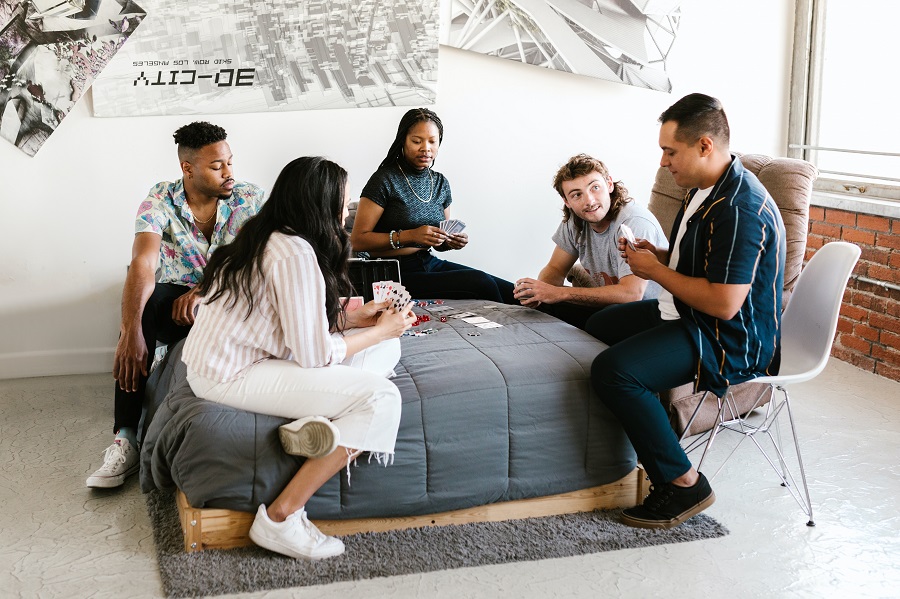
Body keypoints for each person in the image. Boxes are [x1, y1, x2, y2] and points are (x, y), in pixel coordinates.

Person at [182, 156, 415, 560]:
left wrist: (357, 319)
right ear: (321, 205)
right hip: (230, 373)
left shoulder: (270, 235)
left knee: (385, 347)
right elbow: (313, 355)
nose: (346, 211)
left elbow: (289, 320)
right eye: (343, 201)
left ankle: (316, 423)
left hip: (236, 358)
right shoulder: (294, 253)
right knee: (382, 398)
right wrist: (378, 329)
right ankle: (280, 518)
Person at [586, 93, 786, 528]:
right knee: (595, 325)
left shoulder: (739, 207)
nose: (662, 163)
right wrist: (656, 253)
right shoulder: (704, 189)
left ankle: (683, 483)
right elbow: (698, 262)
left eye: (669, 151)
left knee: (613, 371)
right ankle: (647, 429)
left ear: (704, 146)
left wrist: (655, 269)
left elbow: (725, 302)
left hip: (730, 337)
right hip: (693, 315)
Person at [86, 122, 265, 488]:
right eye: (218, 167)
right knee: (147, 310)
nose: (229, 173)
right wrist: (130, 333)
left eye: (230, 162)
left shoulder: (251, 199)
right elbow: (143, 264)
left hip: (230, 300)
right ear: (188, 168)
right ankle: (125, 438)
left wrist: (206, 288)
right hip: (177, 310)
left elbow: (258, 261)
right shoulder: (159, 200)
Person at [350, 108, 515, 303]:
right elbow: (358, 241)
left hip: (428, 263)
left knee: (512, 291)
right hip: (393, 271)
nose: (426, 148)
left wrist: (450, 242)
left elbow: (440, 241)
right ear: (403, 140)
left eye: (432, 141)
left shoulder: (440, 183)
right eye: (417, 141)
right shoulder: (384, 180)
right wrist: (410, 235)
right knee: (482, 283)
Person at [513, 154, 668, 329]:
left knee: (597, 323)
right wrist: (538, 296)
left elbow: (631, 294)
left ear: (609, 184)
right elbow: (555, 269)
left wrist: (559, 293)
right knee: (518, 302)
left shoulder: (634, 222)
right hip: (611, 310)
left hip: (653, 313)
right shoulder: (575, 221)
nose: (589, 201)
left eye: (595, 187)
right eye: (577, 195)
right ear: (567, 201)